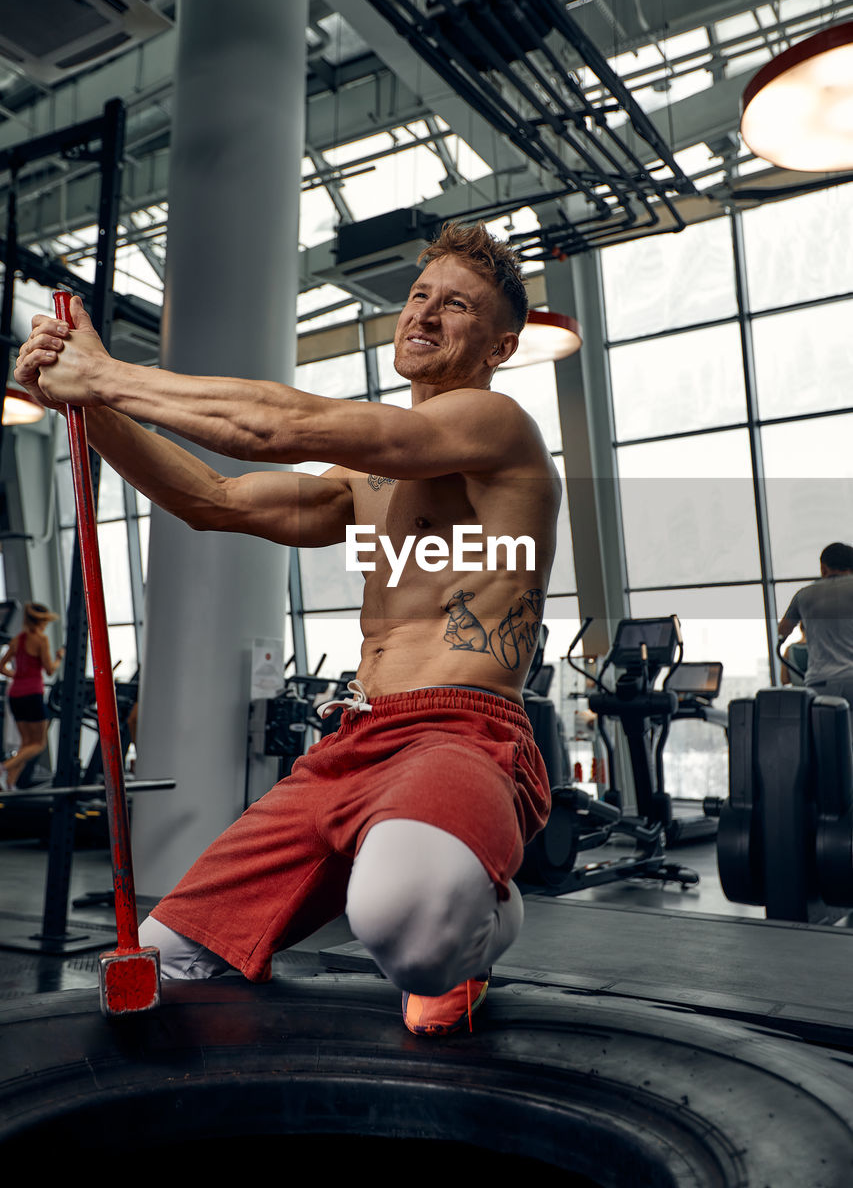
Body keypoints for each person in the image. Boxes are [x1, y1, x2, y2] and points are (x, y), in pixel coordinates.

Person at [15, 221, 560, 1035]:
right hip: (357, 739)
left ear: (500, 346)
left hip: (459, 730)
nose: (423, 314)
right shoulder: (367, 477)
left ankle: (483, 919)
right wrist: (84, 403)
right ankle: (436, 884)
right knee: (168, 959)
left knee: (403, 929)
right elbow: (213, 501)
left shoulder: (496, 426)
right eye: (418, 297)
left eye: (455, 305)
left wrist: (107, 375)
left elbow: (281, 426)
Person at [778, 543, 853, 709]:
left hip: (821, 682)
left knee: (826, 732)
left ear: (823, 568)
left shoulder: (804, 594)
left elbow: (782, 630)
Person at [0, 602, 64, 790]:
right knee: (39, 744)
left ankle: (10, 784)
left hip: (16, 695)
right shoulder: (41, 640)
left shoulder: (17, 640)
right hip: (32, 694)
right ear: (42, 621)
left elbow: (1, 666)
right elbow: (50, 670)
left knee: (27, 743)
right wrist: (59, 657)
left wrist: (18, 676)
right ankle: (3, 768)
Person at [779, 622, 808, 686]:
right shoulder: (820, 649)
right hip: (819, 692)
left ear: (800, 629)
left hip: (799, 693)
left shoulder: (789, 650)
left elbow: (784, 679)